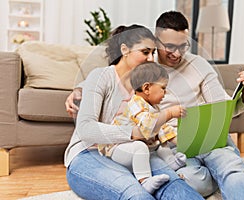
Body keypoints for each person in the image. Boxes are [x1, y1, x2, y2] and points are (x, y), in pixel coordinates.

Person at [66, 12, 244, 199]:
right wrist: (80, 90)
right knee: (179, 184)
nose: (176, 54)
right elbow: (107, 79)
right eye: (168, 46)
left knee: (228, 169)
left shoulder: (194, 66)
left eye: (183, 46)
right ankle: (219, 173)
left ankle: (230, 169)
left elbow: (221, 107)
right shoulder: (142, 71)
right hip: (163, 145)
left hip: (194, 138)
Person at [64, 24, 204, 200]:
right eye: (145, 52)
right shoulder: (102, 77)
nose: (151, 58)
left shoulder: (147, 86)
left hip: (137, 153)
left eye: (153, 53)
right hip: (89, 153)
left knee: (173, 184)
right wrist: (134, 133)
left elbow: (156, 121)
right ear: (125, 50)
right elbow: (86, 129)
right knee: (135, 193)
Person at [99, 62, 187, 194]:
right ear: (146, 88)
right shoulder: (135, 103)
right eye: (163, 88)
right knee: (141, 148)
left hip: (132, 146)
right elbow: (148, 125)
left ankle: (171, 162)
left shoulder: (154, 107)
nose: (165, 92)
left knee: (161, 144)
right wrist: (169, 113)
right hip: (116, 148)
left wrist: (182, 141)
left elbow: (163, 128)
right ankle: (145, 181)